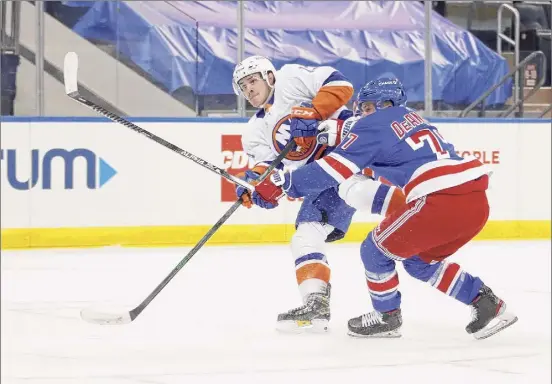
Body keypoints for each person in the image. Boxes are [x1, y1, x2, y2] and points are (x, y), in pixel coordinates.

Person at [251, 77, 518, 340]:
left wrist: (284, 183)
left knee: (374, 250)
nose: (362, 113)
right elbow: (364, 131)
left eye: (367, 107)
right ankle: (485, 302)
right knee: (419, 261)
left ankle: (386, 317)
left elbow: (333, 169)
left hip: (440, 200)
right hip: (475, 202)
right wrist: (325, 130)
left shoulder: (374, 126)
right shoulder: (411, 118)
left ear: (385, 104)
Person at [232, 56, 405, 332]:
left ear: (269, 77)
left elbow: (341, 85)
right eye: (243, 87)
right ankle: (315, 305)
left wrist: (313, 112)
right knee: (305, 236)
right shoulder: (253, 131)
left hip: (353, 151)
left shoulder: (289, 78)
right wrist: (254, 186)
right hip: (321, 178)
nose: (249, 89)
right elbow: (268, 172)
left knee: (356, 190)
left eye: (253, 81)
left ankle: (420, 211)